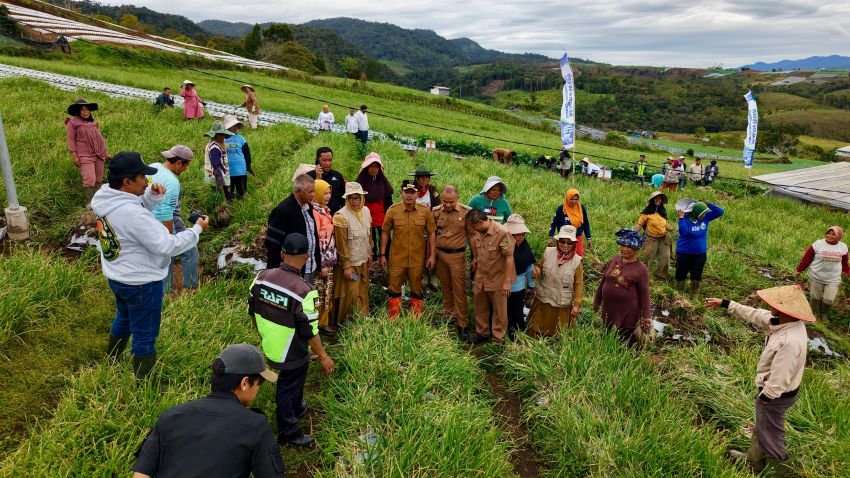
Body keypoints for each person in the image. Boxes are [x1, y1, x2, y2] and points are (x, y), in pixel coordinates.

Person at [92, 152, 208, 379]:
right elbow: (167, 245)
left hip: (117, 275)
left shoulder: (103, 197)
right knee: (145, 335)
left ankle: (112, 359)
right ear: (127, 182)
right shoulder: (135, 216)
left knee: (123, 317)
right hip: (141, 283)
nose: (148, 182)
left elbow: (128, 208)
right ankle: (144, 387)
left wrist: (150, 197)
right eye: (142, 178)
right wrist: (196, 230)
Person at [705, 285, 814, 476]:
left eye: (775, 307)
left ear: (784, 311)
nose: (771, 309)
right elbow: (755, 314)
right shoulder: (787, 323)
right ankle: (753, 460)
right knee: (763, 427)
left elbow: (780, 378)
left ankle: (778, 471)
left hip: (776, 396)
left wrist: (764, 398)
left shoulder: (789, 341)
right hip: (777, 392)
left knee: (771, 435)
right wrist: (725, 303)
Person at [132, 344, 283, 478]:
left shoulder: (171, 416)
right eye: (259, 384)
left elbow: (141, 474)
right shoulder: (256, 426)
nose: (258, 390)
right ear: (244, 383)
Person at [249, 233, 335, 447]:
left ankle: (297, 406)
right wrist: (323, 356)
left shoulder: (261, 277)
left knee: (297, 378)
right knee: (287, 386)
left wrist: (264, 332)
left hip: (269, 341)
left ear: (281, 254)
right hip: (291, 349)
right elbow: (309, 330)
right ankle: (289, 431)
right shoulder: (304, 291)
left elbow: (252, 309)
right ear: (307, 257)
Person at [381, 180, 436, 318]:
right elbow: (385, 232)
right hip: (397, 258)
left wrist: (432, 255)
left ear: (417, 194)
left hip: (417, 259)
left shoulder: (425, 211)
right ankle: (393, 318)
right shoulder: (393, 210)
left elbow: (431, 233)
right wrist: (382, 254)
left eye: (412, 192)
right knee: (394, 288)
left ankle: (415, 319)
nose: (409, 196)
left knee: (417, 288)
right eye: (407, 192)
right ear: (401, 193)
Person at [148, 145, 199, 293]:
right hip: (163, 221)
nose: (186, 169)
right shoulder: (172, 181)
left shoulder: (153, 167)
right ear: (178, 163)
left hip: (150, 218)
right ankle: (170, 291)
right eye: (186, 165)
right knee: (168, 255)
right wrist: (169, 237)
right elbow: (166, 213)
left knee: (189, 249)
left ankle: (184, 286)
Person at [593, 228, 651, 345]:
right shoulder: (615, 260)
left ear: (636, 249)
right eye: (623, 245)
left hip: (628, 312)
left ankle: (625, 359)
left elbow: (644, 295)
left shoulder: (641, 269)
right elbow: (603, 281)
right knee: (606, 336)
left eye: (629, 247)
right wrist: (597, 300)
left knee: (625, 341)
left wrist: (646, 317)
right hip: (609, 309)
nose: (624, 249)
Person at [467, 208, 515, 344]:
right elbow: (476, 244)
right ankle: (482, 333)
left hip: (498, 278)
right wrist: (475, 259)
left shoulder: (502, 233)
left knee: (500, 311)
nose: (472, 229)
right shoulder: (479, 231)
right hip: (481, 276)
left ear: (481, 222)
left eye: (473, 226)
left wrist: (507, 281)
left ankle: (498, 338)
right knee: (480, 306)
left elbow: (509, 258)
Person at [433, 186, 474, 339]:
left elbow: (473, 237)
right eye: (445, 202)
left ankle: (462, 323)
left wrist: (475, 258)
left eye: (451, 202)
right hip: (440, 255)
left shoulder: (465, 212)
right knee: (445, 287)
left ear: (457, 198)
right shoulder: (436, 211)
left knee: (459, 290)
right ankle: (449, 315)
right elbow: (432, 234)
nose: (447, 205)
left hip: (457, 256)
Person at [528, 225, 584, 336]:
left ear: (574, 244)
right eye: (562, 241)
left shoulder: (577, 261)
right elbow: (539, 265)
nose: (565, 245)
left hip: (561, 304)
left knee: (559, 332)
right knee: (536, 328)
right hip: (543, 299)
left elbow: (579, 284)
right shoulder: (548, 252)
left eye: (569, 243)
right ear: (558, 241)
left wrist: (577, 304)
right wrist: (537, 270)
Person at [265, 174, 322, 281]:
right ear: (298, 191)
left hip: (309, 267)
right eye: (310, 192)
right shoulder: (282, 211)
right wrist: (277, 273)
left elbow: (313, 237)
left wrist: (318, 264)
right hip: (292, 271)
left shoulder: (308, 207)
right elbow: (273, 245)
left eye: (314, 191)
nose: (313, 195)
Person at [333, 183, 372, 328]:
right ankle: (346, 322)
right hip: (351, 266)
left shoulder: (366, 211)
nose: (355, 201)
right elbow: (341, 245)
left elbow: (368, 237)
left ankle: (361, 319)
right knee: (351, 292)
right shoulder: (341, 217)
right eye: (351, 198)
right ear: (347, 199)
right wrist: (346, 266)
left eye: (357, 198)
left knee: (363, 289)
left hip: (362, 261)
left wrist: (370, 254)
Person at [796, 226, 849, 320]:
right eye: (828, 233)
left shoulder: (843, 247)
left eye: (833, 234)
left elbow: (844, 263)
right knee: (815, 297)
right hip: (816, 276)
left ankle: (824, 313)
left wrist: (847, 274)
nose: (830, 236)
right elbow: (807, 258)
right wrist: (799, 270)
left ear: (839, 236)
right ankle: (815, 313)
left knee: (829, 299)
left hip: (833, 278)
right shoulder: (818, 244)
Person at [66, 98, 109, 208]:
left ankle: (98, 202)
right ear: (78, 111)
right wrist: (74, 155)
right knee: (89, 179)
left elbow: (100, 138)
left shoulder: (93, 123)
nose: (85, 112)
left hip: (99, 154)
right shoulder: (73, 123)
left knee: (99, 178)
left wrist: (105, 153)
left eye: (87, 110)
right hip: (85, 155)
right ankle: (89, 204)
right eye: (82, 110)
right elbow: (71, 139)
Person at [675, 201, 724, 296]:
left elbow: (720, 211)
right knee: (681, 272)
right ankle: (679, 293)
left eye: (705, 213)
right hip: (684, 252)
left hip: (700, 253)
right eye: (703, 213)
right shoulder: (685, 219)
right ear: (696, 213)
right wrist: (681, 218)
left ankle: (694, 294)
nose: (704, 215)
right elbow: (684, 232)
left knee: (697, 274)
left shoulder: (706, 218)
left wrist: (708, 203)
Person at [312, 179, 338, 334]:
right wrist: (322, 264)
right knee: (321, 292)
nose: (327, 196)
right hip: (322, 261)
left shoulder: (325, 210)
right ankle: (319, 324)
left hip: (329, 258)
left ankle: (324, 321)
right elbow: (317, 239)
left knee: (327, 291)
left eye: (329, 193)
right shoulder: (315, 212)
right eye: (324, 193)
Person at [356, 152, 393, 259]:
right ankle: (371, 258)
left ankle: (385, 257)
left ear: (379, 168)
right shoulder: (361, 181)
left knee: (384, 237)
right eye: (371, 166)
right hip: (366, 217)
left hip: (381, 216)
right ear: (367, 167)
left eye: (376, 166)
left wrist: (389, 216)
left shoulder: (383, 182)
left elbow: (388, 200)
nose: (373, 169)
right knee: (368, 239)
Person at [506, 214, 537, 340]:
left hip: (518, 288)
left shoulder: (524, 246)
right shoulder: (503, 245)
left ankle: (516, 335)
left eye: (522, 234)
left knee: (517, 311)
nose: (520, 237)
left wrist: (531, 285)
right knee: (505, 312)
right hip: (503, 287)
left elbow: (529, 266)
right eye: (516, 234)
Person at [634, 191, 671, 279]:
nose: (658, 200)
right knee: (648, 256)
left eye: (660, 198)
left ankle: (661, 273)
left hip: (663, 237)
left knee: (666, 256)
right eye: (656, 198)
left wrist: (671, 230)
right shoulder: (646, 213)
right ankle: (644, 274)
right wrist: (634, 234)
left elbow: (666, 224)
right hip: (651, 238)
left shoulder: (663, 211)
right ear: (652, 200)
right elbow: (639, 224)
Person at [548, 188, 592, 256]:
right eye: (571, 199)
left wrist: (588, 237)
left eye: (576, 199)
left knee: (578, 254)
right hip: (564, 236)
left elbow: (586, 223)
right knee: (562, 254)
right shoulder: (561, 209)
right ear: (567, 198)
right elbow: (554, 223)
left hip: (577, 235)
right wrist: (550, 236)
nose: (574, 201)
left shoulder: (581, 208)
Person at [306, 147, 345, 213]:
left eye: (330, 160)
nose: (327, 163)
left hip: (335, 215)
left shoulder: (337, 176)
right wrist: (318, 179)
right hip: (316, 215)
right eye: (324, 160)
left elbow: (343, 199)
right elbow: (308, 199)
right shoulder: (308, 177)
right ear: (317, 160)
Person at [223, 115, 253, 199]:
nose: (235, 128)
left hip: (240, 170)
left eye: (236, 126)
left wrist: (248, 166)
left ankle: (241, 204)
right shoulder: (222, 139)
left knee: (241, 190)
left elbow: (247, 154)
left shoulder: (241, 139)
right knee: (229, 190)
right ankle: (230, 204)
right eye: (232, 126)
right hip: (228, 170)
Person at [203, 120, 234, 201]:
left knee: (225, 196)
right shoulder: (214, 148)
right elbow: (216, 165)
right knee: (218, 197)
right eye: (220, 135)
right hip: (216, 177)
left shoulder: (219, 143)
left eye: (223, 134)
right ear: (215, 135)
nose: (222, 136)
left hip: (222, 175)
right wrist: (219, 182)